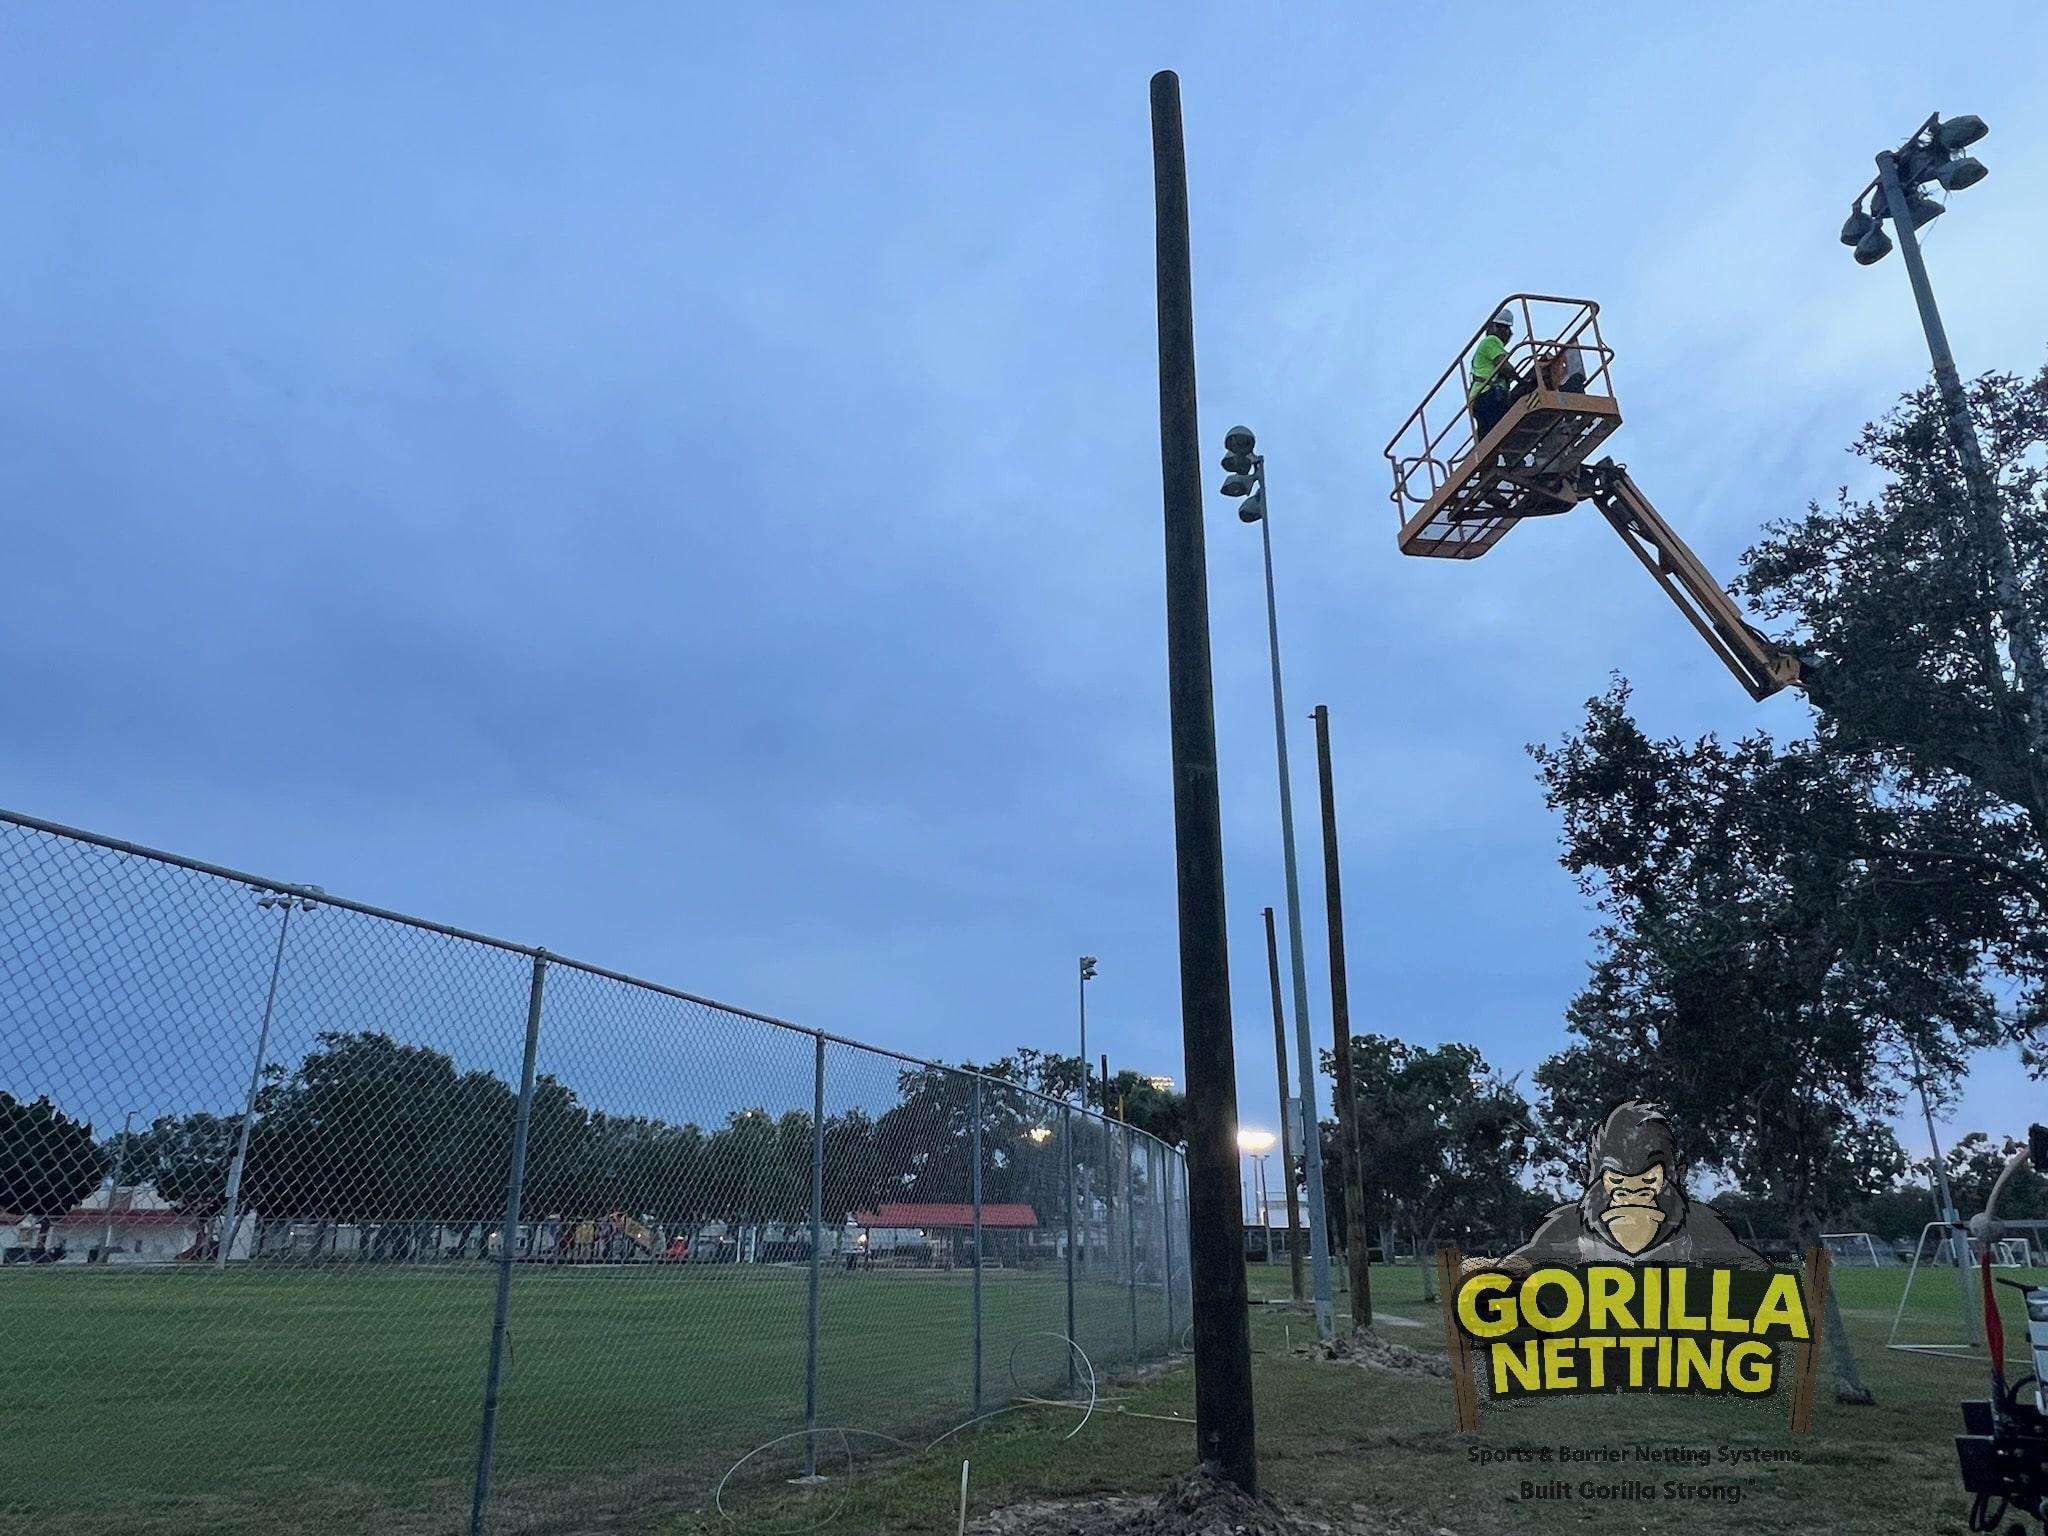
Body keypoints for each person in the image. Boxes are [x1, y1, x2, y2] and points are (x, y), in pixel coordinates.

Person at [1467, 308, 1521, 448]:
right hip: (1488, 395)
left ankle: (1487, 459)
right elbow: (1502, 364)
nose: (1508, 334)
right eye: (1505, 329)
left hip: (1480, 399)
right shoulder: (1491, 340)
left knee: (1490, 438)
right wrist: (1520, 380)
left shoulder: (1488, 344)